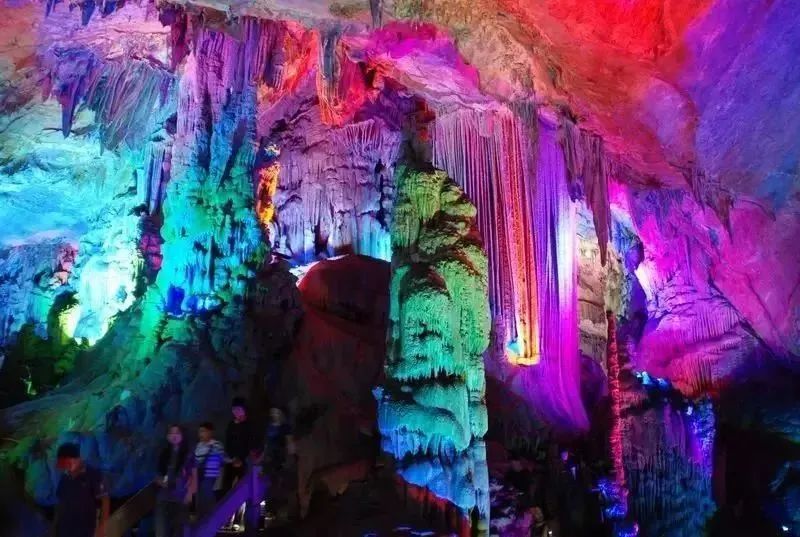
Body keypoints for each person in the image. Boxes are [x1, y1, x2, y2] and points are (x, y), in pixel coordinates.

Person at [53, 442, 109, 537]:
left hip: (85, 530)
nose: (67, 468)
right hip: (65, 530)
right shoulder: (64, 478)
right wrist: (55, 527)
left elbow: (105, 500)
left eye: (68, 464)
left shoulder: (93, 474)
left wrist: (102, 526)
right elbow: (59, 503)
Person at [155, 425, 194, 537]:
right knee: (161, 529)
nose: (174, 436)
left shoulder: (188, 454)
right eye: (171, 433)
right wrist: (160, 481)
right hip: (164, 495)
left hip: (180, 495)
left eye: (177, 433)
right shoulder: (163, 453)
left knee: (179, 529)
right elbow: (157, 474)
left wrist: (190, 493)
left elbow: (193, 474)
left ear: (182, 435)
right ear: (167, 436)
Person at [223, 397, 261, 492]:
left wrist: (243, 458)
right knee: (227, 486)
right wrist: (231, 457)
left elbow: (252, 443)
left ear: (244, 410)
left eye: (239, 409)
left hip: (245, 461)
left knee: (244, 486)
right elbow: (228, 442)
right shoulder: (231, 425)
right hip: (232, 460)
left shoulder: (250, 425)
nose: (236, 412)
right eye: (234, 409)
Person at [192, 422, 224, 518]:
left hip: (211, 477)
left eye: (203, 431)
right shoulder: (198, 445)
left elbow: (219, 461)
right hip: (199, 476)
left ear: (210, 432)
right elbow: (195, 460)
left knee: (208, 498)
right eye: (200, 432)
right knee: (199, 499)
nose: (201, 434)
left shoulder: (217, 445)